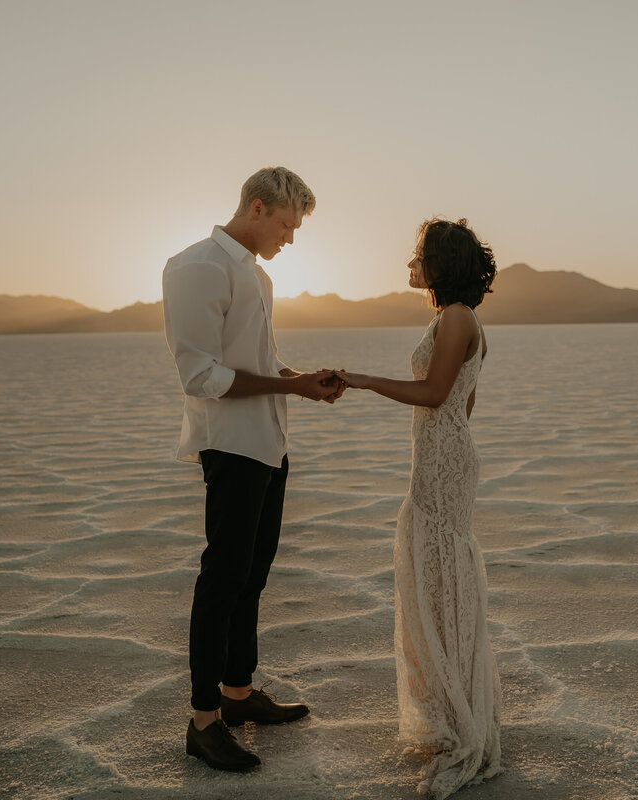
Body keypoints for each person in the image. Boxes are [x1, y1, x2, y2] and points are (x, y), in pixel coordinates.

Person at [162, 166, 343, 772]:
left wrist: (300, 382)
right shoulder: (196, 268)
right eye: (288, 225)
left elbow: (256, 360)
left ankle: (238, 696)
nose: (291, 238)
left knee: (253, 575)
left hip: (269, 443)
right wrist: (286, 385)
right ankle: (203, 722)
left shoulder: (258, 278)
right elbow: (202, 376)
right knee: (222, 580)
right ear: (259, 208)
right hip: (231, 446)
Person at [337, 218, 501, 798]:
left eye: (421, 256)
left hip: (443, 462)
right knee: (434, 580)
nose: (415, 264)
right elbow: (464, 401)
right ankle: (450, 710)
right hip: (441, 456)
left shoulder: (457, 318)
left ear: (442, 264)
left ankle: (460, 721)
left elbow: (436, 394)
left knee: (442, 579)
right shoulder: (453, 318)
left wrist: (361, 380)